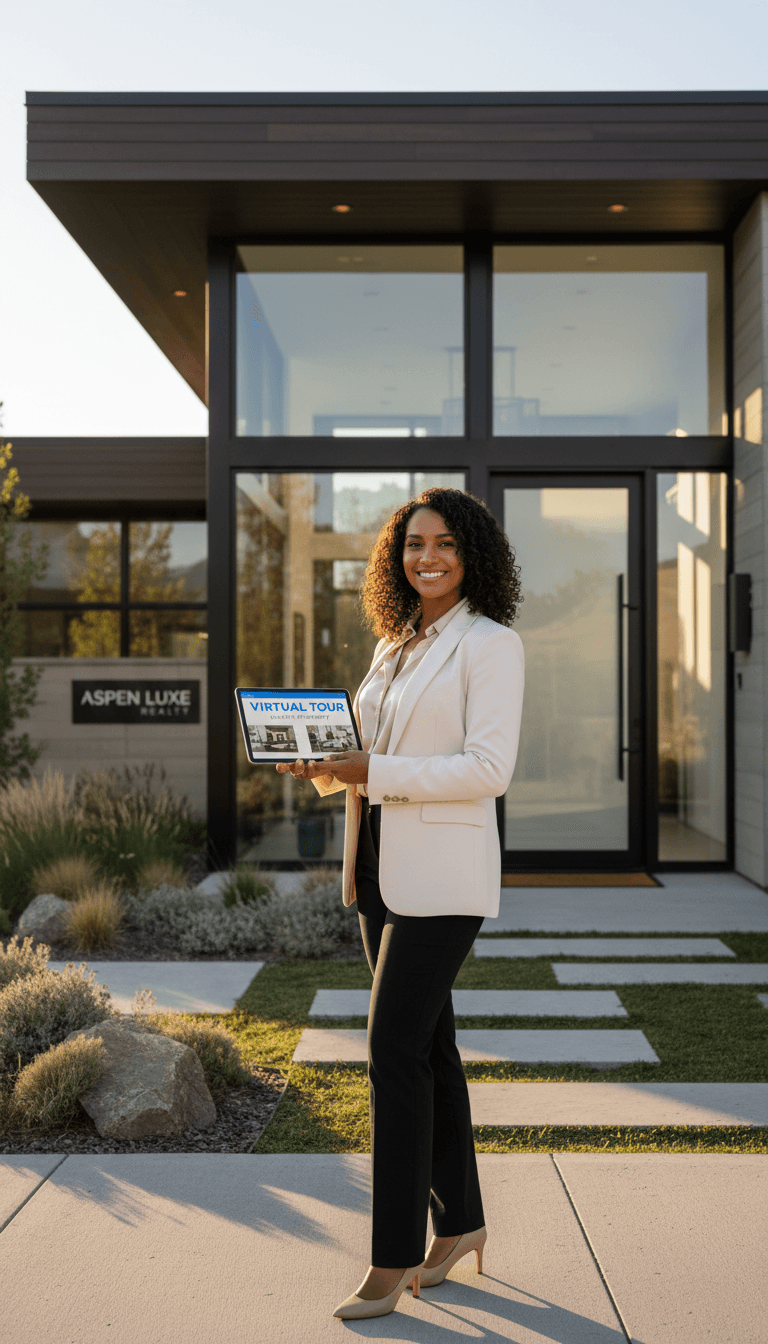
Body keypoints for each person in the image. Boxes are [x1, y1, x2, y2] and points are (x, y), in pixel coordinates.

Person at [277, 487, 524, 1321]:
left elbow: (487, 769)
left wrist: (370, 773)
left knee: (390, 1051)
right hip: (379, 870)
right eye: (414, 543)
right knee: (431, 1049)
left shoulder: (490, 646)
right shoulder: (394, 644)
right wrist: (318, 762)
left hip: (444, 877)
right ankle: (463, 1225)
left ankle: (390, 1261)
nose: (428, 556)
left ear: (473, 555)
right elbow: (367, 752)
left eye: (446, 544)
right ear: (396, 557)